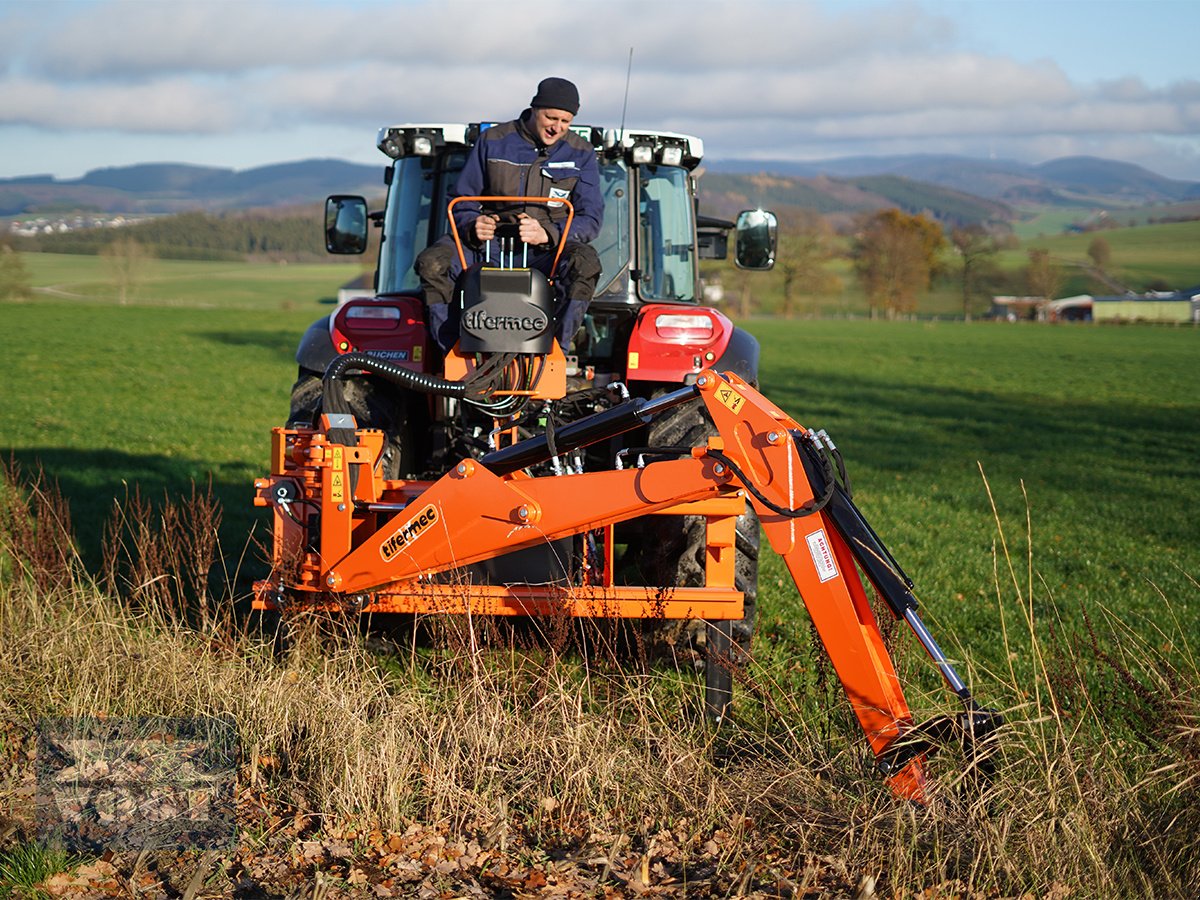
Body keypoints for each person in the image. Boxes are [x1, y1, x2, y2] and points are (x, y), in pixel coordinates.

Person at [415, 77, 603, 351]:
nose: (557, 127)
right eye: (551, 117)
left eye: (565, 121)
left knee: (584, 263)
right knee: (433, 264)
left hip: (546, 252)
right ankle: (453, 353)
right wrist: (472, 224)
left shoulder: (581, 152)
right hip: (487, 247)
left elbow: (591, 218)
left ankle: (555, 352)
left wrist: (546, 233)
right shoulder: (493, 141)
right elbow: (461, 199)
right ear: (534, 109)